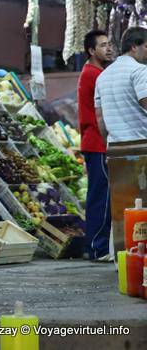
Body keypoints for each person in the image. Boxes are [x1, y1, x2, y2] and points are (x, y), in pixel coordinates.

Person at [95, 26, 147, 260]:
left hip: (115, 149)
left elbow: (100, 117)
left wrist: (110, 141)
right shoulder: (139, 71)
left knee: (122, 207)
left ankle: (122, 258)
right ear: (135, 46)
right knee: (142, 207)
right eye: (146, 47)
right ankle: (141, 260)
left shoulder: (103, 76)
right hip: (141, 146)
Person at [77, 30, 114, 261]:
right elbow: (97, 115)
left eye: (110, 44)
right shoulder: (93, 74)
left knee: (101, 195)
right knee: (100, 196)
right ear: (91, 50)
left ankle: (97, 245)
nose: (108, 48)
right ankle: (97, 247)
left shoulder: (97, 73)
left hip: (95, 142)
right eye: (103, 45)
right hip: (97, 142)